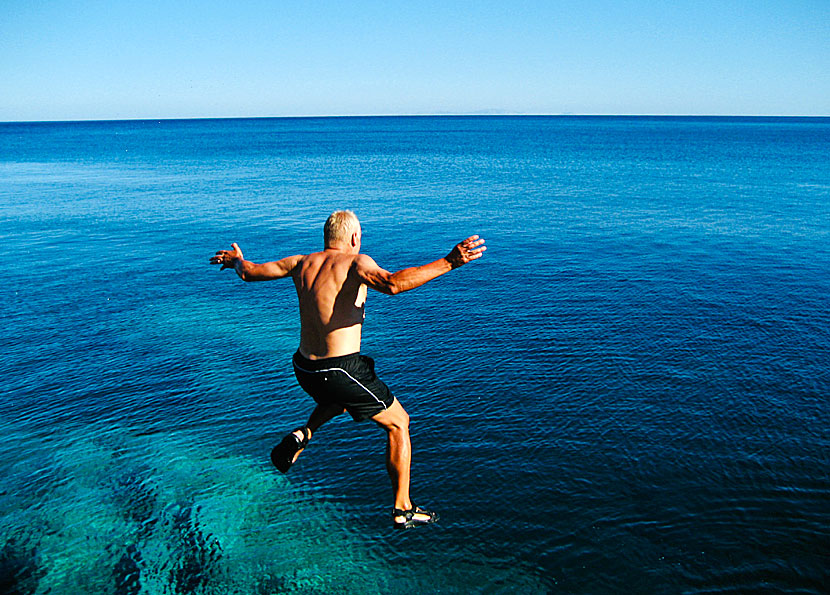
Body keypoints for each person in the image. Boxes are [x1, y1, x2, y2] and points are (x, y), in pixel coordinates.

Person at [210, 210, 486, 529]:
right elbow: (392, 283)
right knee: (399, 423)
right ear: (354, 238)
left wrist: (236, 261)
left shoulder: (300, 262)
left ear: (327, 237)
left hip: (304, 368)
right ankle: (403, 508)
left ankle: (304, 433)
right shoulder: (356, 262)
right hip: (340, 369)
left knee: (342, 398)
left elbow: (250, 272)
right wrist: (449, 261)